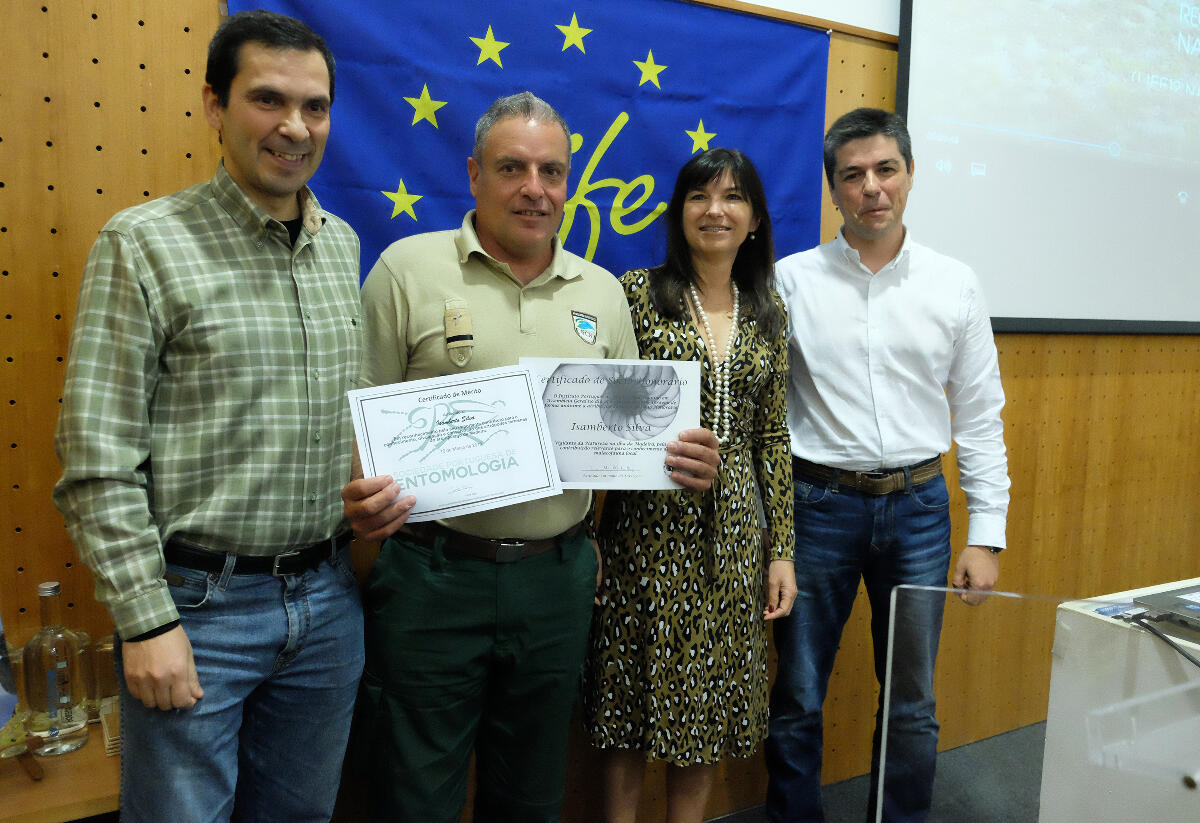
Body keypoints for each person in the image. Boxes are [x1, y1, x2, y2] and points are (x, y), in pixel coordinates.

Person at [339, 92, 722, 823]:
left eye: (552, 170)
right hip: (430, 577)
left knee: (533, 795)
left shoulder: (603, 293)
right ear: (474, 173)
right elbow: (360, 419)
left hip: (555, 580)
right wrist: (360, 513)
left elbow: (629, 444)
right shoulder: (406, 270)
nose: (534, 188)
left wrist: (679, 461)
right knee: (412, 795)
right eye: (512, 167)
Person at [52, 11, 363, 821]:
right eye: (268, 99)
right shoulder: (144, 245)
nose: (295, 127)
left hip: (329, 604)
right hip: (197, 609)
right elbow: (96, 462)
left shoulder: (343, 247)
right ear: (214, 106)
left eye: (316, 106)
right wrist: (145, 621)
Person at [766, 107, 1011, 823]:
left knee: (912, 701)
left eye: (886, 170)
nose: (872, 187)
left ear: (909, 176)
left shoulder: (954, 283)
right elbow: (764, 415)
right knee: (799, 694)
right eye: (853, 175)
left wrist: (986, 533)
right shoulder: (789, 283)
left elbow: (981, 414)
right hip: (817, 509)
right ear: (834, 190)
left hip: (920, 510)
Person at [582, 148, 798, 823]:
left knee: (702, 712)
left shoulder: (768, 309)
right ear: (679, 213)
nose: (716, 210)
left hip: (731, 539)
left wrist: (780, 549)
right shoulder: (637, 293)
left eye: (733, 197)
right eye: (700, 196)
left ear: (755, 219)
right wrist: (588, 532)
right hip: (642, 531)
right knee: (626, 709)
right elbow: (598, 416)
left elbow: (772, 438)